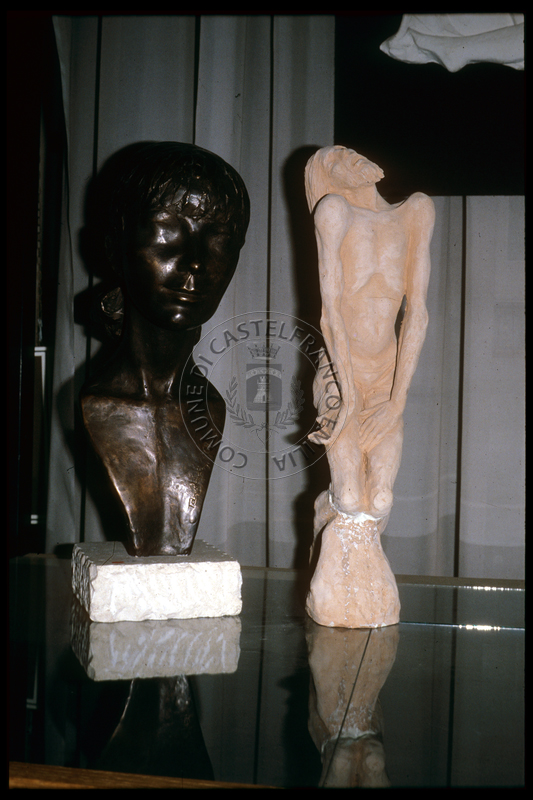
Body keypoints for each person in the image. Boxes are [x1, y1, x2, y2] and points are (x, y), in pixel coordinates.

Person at [80, 142, 250, 556]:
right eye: (167, 229)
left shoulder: (208, 407)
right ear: (114, 247)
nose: (196, 262)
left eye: (219, 238)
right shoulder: (98, 404)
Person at [304, 145, 434, 536]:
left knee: (380, 500)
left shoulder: (416, 211)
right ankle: (328, 526)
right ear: (331, 179)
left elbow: (417, 313)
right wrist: (346, 397)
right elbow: (330, 314)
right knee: (348, 497)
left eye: (346, 150)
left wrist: (396, 402)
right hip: (340, 370)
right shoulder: (334, 212)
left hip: (385, 375)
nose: (348, 157)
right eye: (334, 161)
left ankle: (358, 563)